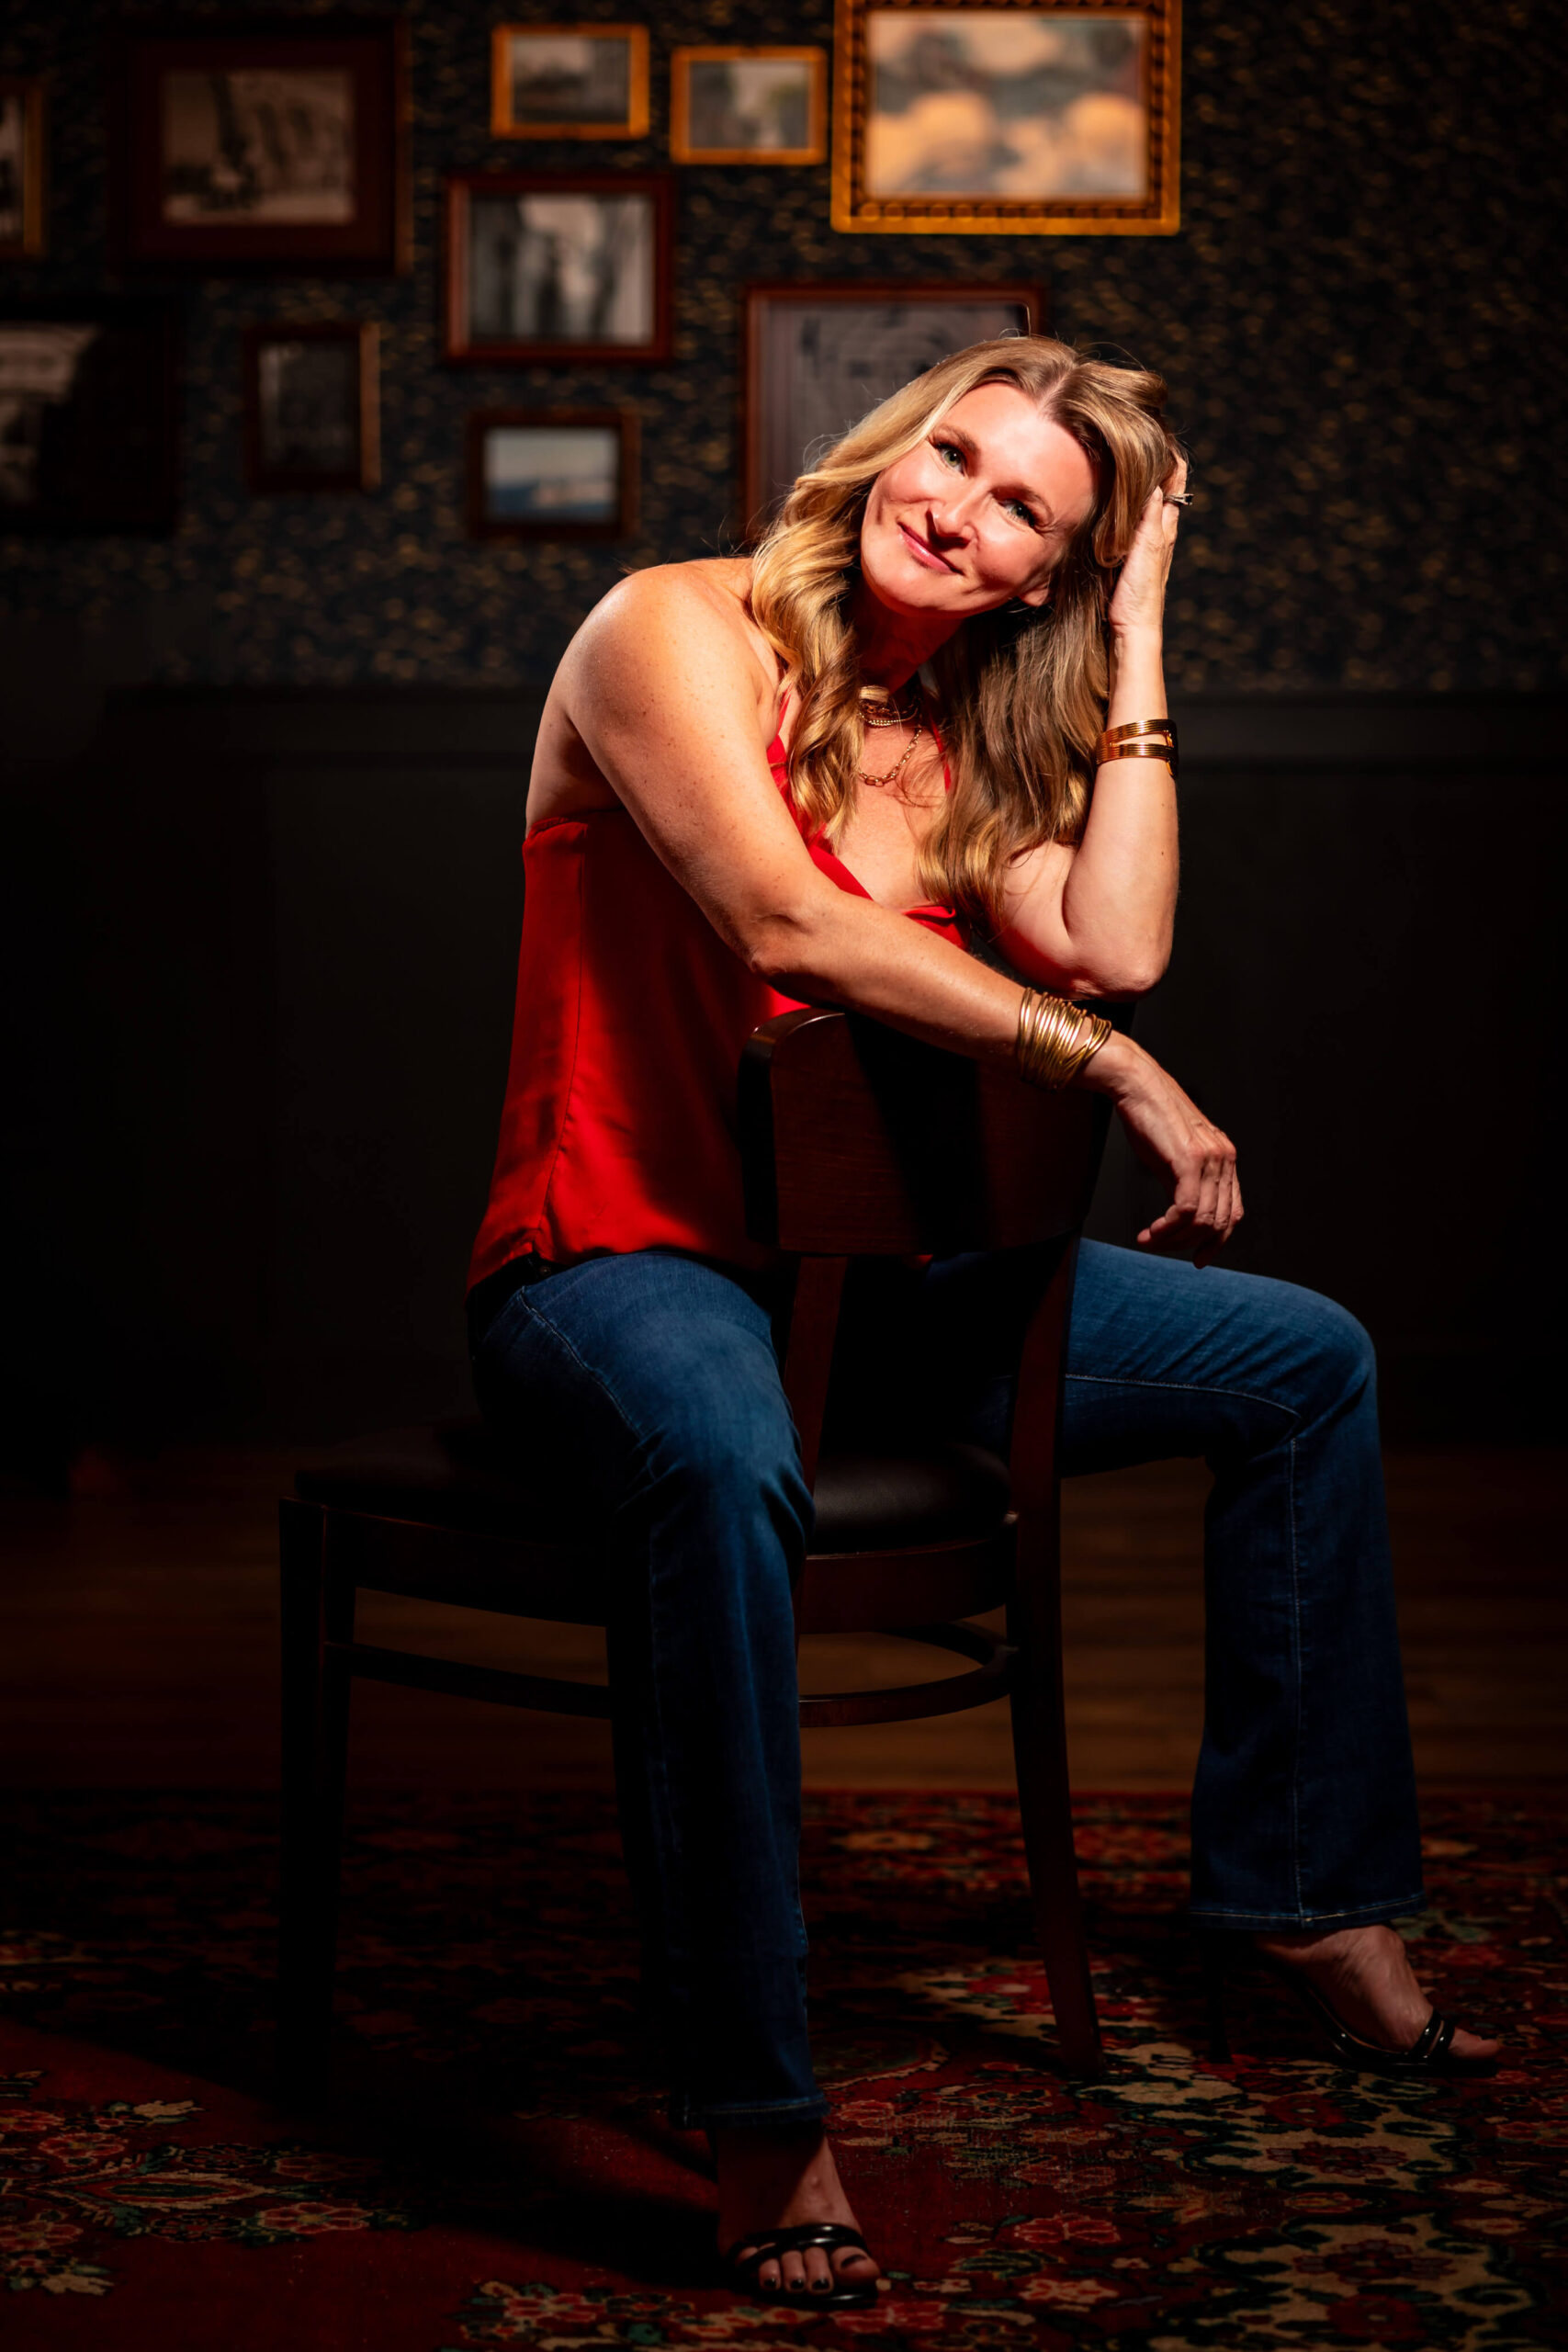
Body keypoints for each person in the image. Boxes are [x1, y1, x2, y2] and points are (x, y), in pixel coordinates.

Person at [465, 336, 1498, 2308]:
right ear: (888, 445)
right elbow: (781, 917)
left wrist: (1140, 623)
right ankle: (759, 2103)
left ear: (1041, 573)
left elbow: (1118, 938)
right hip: (618, 1261)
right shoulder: (663, 630)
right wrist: (1101, 1063)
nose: (954, 499)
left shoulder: (949, 751)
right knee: (713, 1447)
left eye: (1022, 505)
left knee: (1303, 1361)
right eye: (952, 450)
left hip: (883, 1299)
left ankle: (1297, 1897)